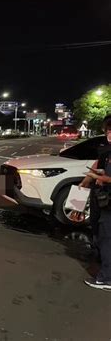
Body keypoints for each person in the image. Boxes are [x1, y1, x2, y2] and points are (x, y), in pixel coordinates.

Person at [79, 114, 111, 290]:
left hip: (108, 201)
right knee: (100, 231)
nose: (109, 134)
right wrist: (88, 180)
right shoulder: (106, 150)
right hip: (103, 199)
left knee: (108, 237)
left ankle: (106, 278)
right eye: (108, 131)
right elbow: (99, 165)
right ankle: (102, 263)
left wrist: (99, 177)